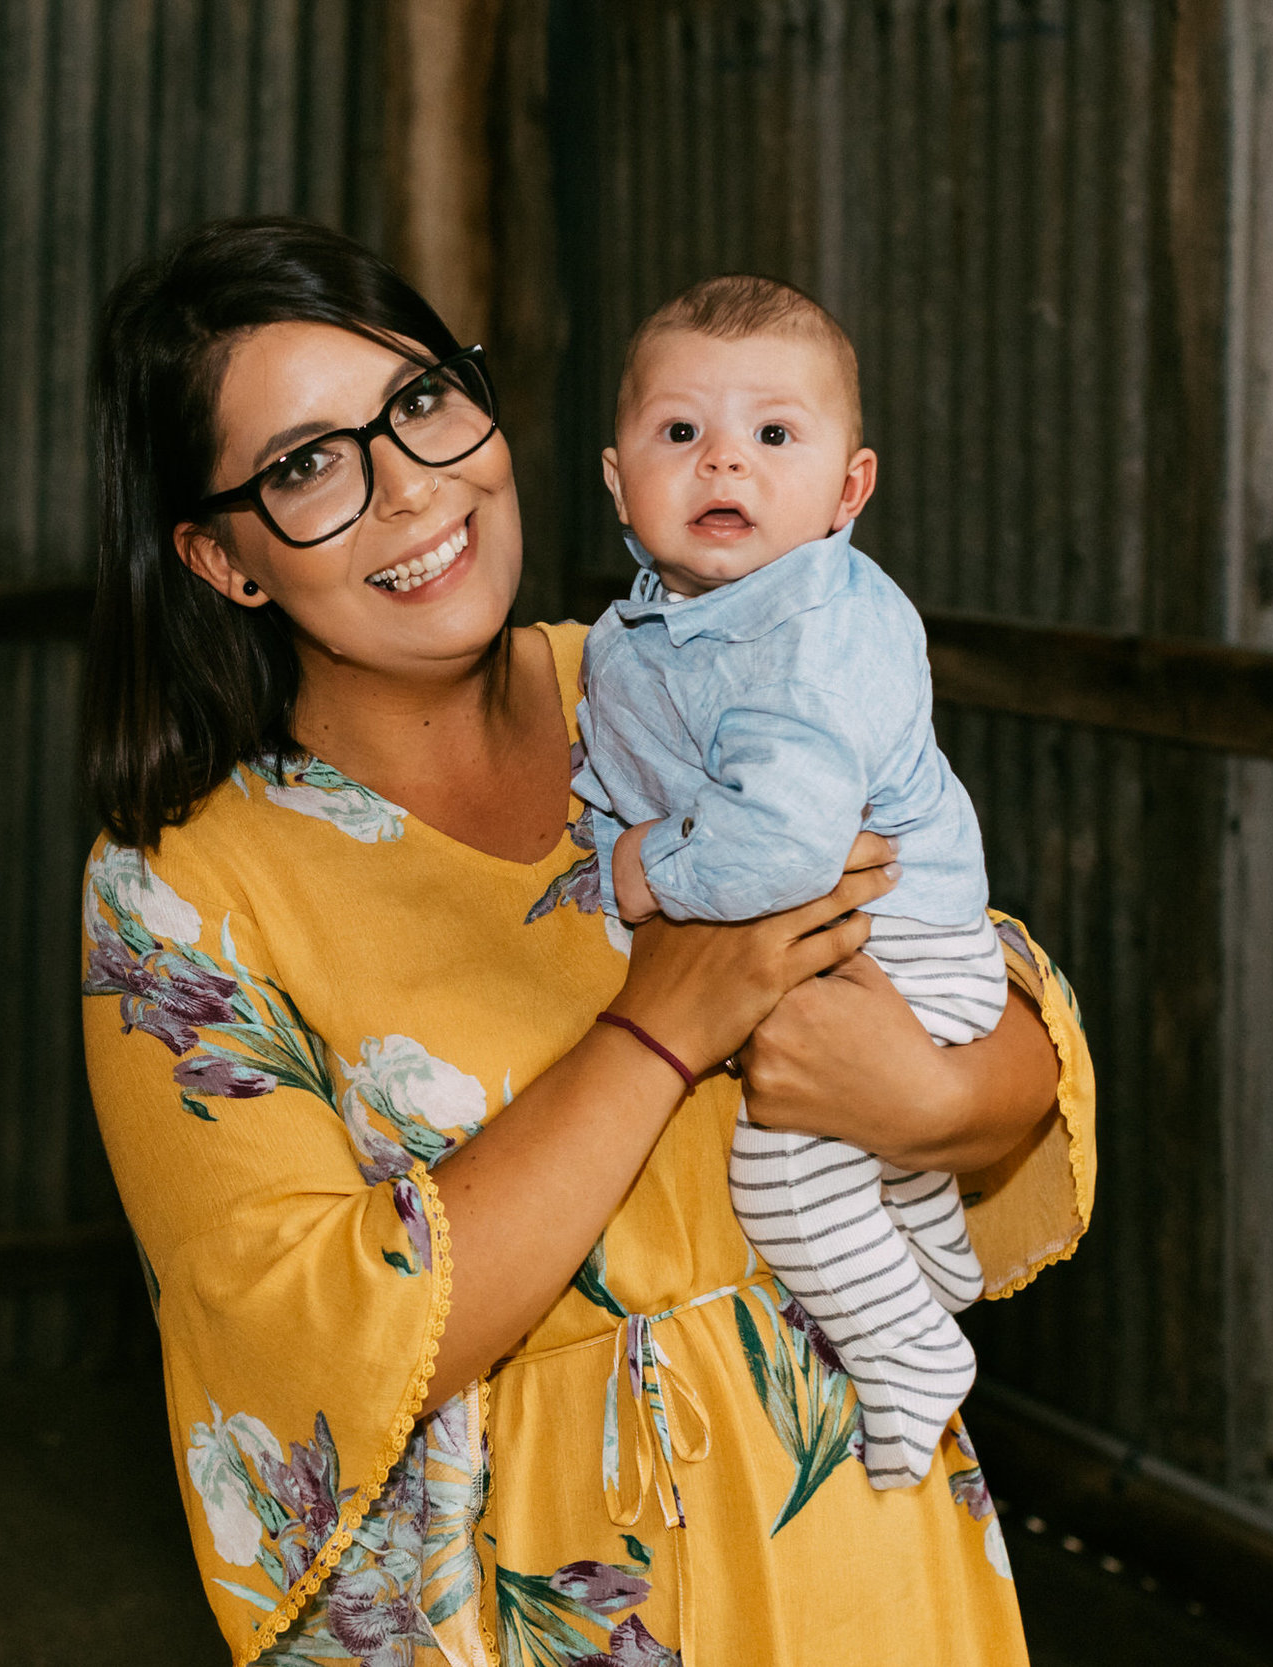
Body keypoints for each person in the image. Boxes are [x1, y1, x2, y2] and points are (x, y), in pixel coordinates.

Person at [80, 216, 1095, 1667]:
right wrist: (663, 1022)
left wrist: (930, 1097)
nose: (410, 489)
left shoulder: (671, 667)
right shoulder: (183, 886)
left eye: (421, 399)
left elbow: (1007, 1024)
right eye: (306, 464)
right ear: (220, 557)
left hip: (865, 1540)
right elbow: (299, 1346)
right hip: (542, 1596)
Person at [575, 274, 1005, 1490]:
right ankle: (930, 1247)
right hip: (856, 938)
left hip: (904, 939)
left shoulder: (807, 635)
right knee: (867, 1144)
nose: (725, 465)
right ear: (617, 478)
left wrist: (634, 867)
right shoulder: (656, 625)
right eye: (680, 434)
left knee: (784, 1171)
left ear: (847, 490)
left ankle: (912, 1348)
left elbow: (778, 850)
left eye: (773, 435)